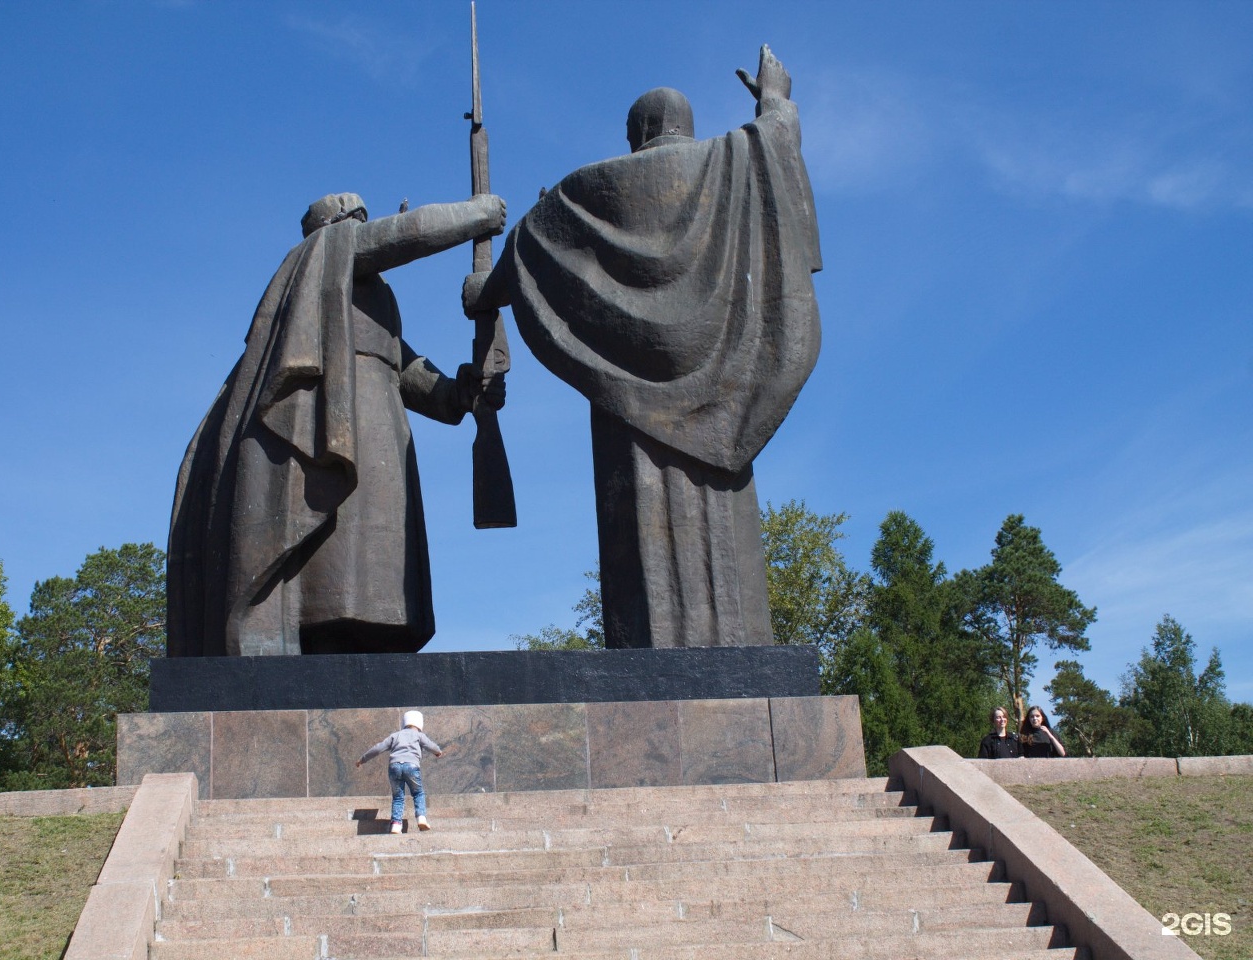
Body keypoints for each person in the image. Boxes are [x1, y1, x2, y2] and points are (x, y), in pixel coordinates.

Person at [464, 45, 821, 648]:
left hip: (627, 407)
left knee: (641, 555)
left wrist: (480, 288)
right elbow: (774, 143)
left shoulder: (587, 190)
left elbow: (517, 254)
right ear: (686, 125)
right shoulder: (730, 160)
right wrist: (775, 100)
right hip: (724, 393)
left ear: (637, 134)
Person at [167, 192, 507, 657]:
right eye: (356, 221)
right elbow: (406, 236)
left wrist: (461, 393)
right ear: (333, 227)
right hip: (334, 429)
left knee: (382, 566)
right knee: (337, 563)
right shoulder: (320, 257)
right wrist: (477, 214)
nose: (363, 228)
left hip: (379, 428)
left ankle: (375, 646)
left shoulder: (371, 298)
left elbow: (407, 373)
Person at [356, 710, 444, 833]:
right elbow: (431, 746)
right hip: (411, 766)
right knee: (418, 793)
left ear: (404, 723)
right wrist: (438, 752)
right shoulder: (419, 735)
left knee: (398, 797)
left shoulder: (395, 735)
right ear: (420, 724)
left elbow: (378, 748)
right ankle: (421, 818)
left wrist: (362, 759)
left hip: (394, 767)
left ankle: (396, 825)